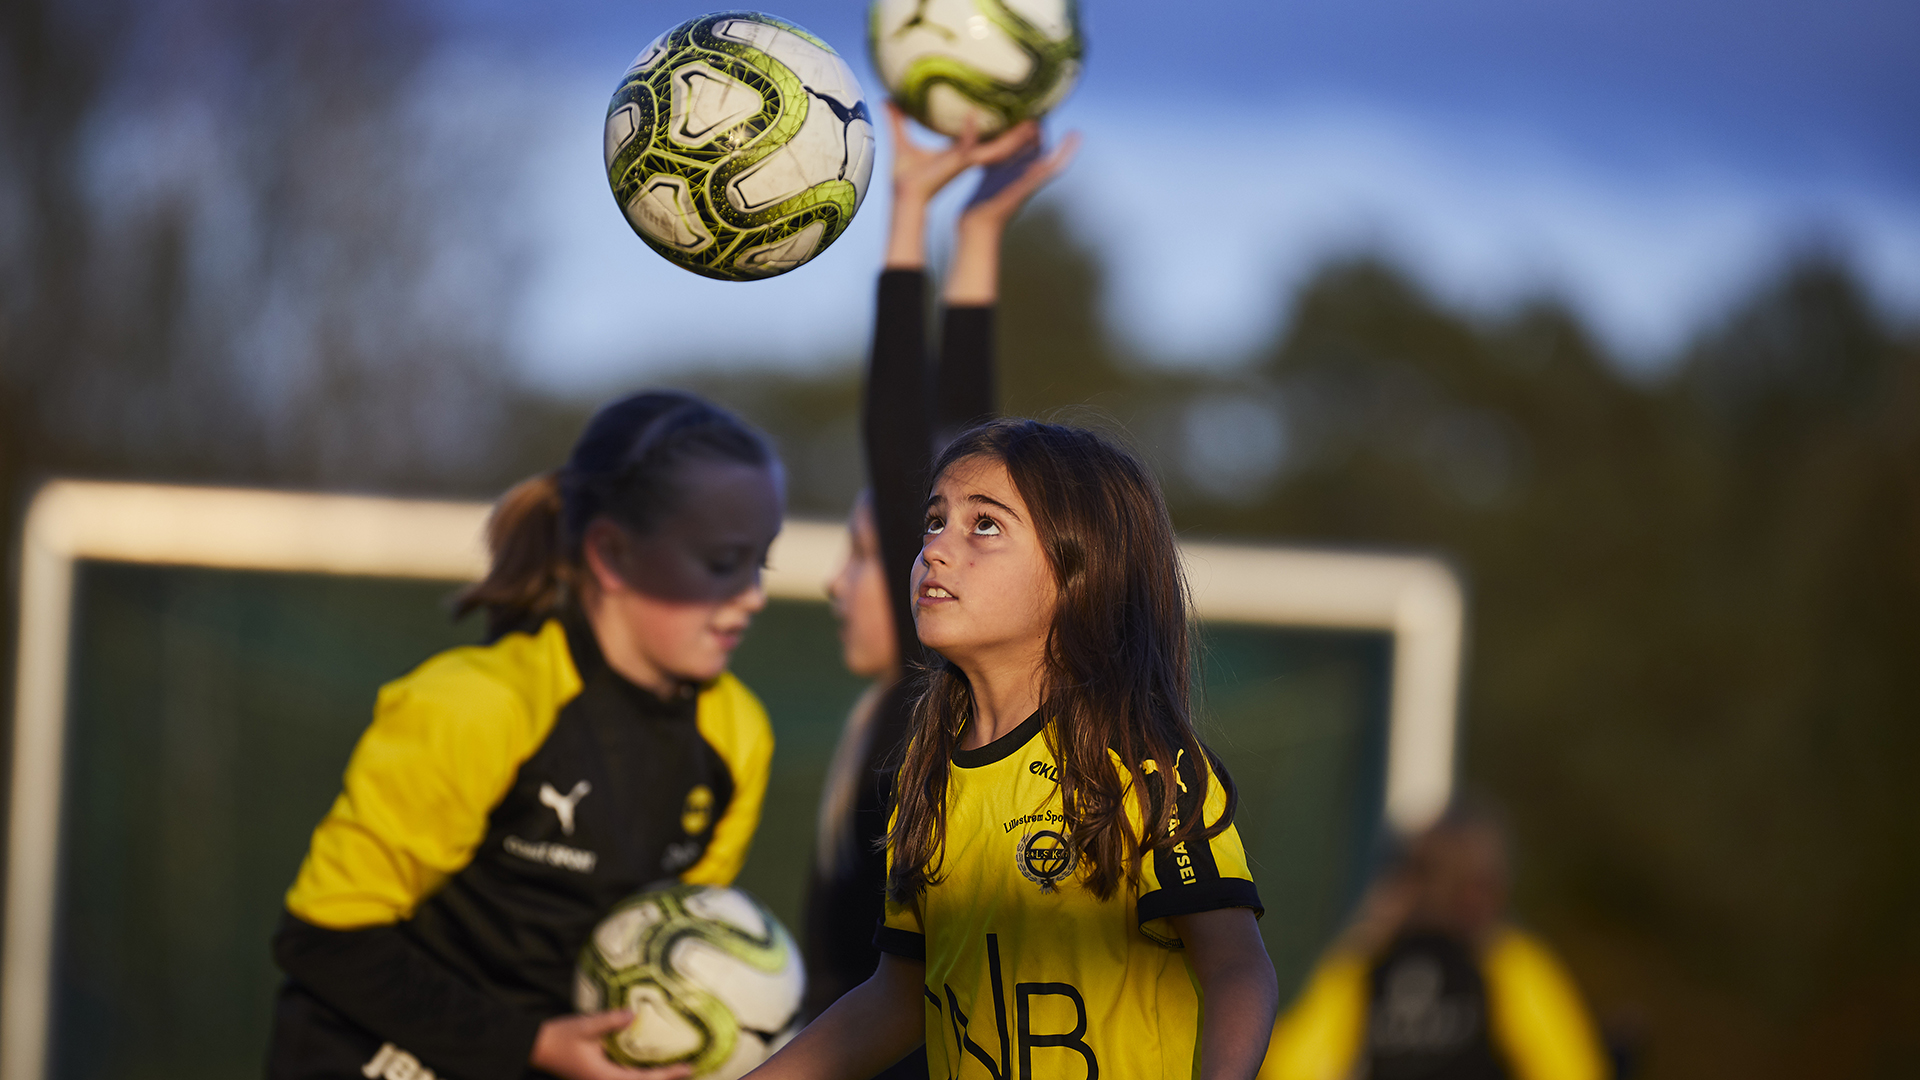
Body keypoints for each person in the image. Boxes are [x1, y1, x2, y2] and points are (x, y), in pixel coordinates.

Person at [267, 391, 785, 1080]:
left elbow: (674, 942)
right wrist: (531, 1045)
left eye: (761, 564)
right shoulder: (478, 704)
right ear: (610, 554)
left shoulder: (737, 735)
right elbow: (325, 940)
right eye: (723, 563)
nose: (752, 595)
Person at [756, 419, 1281, 1080]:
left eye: (985, 526)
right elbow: (897, 998)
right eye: (934, 521)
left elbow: (1238, 969)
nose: (937, 549)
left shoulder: (1142, 766)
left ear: (1080, 574)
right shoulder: (927, 780)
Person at [803, 105, 1075, 1069]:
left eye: (866, 552)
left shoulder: (941, 709)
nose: (840, 580)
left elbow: (924, 442)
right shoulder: (899, 720)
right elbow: (957, 446)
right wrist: (979, 232)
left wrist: (913, 220)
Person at [1261, 804, 1610, 1080]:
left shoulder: (1368, 968)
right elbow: (1573, 1071)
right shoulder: (1507, 962)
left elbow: (1290, 1069)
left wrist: (1363, 937)